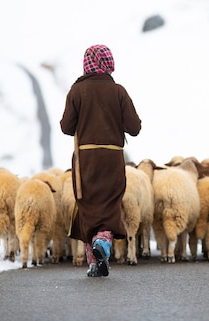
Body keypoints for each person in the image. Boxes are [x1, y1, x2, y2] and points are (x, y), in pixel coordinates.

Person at [60, 44, 142, 277]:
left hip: (85, 159)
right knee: (109, 203)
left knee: (88, 206)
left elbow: (66, 127)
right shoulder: (118, 91)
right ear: (108, 63)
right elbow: (134, 128)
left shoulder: (77, 91)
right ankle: (102, 247)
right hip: (112, 158)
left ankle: (94, 260)